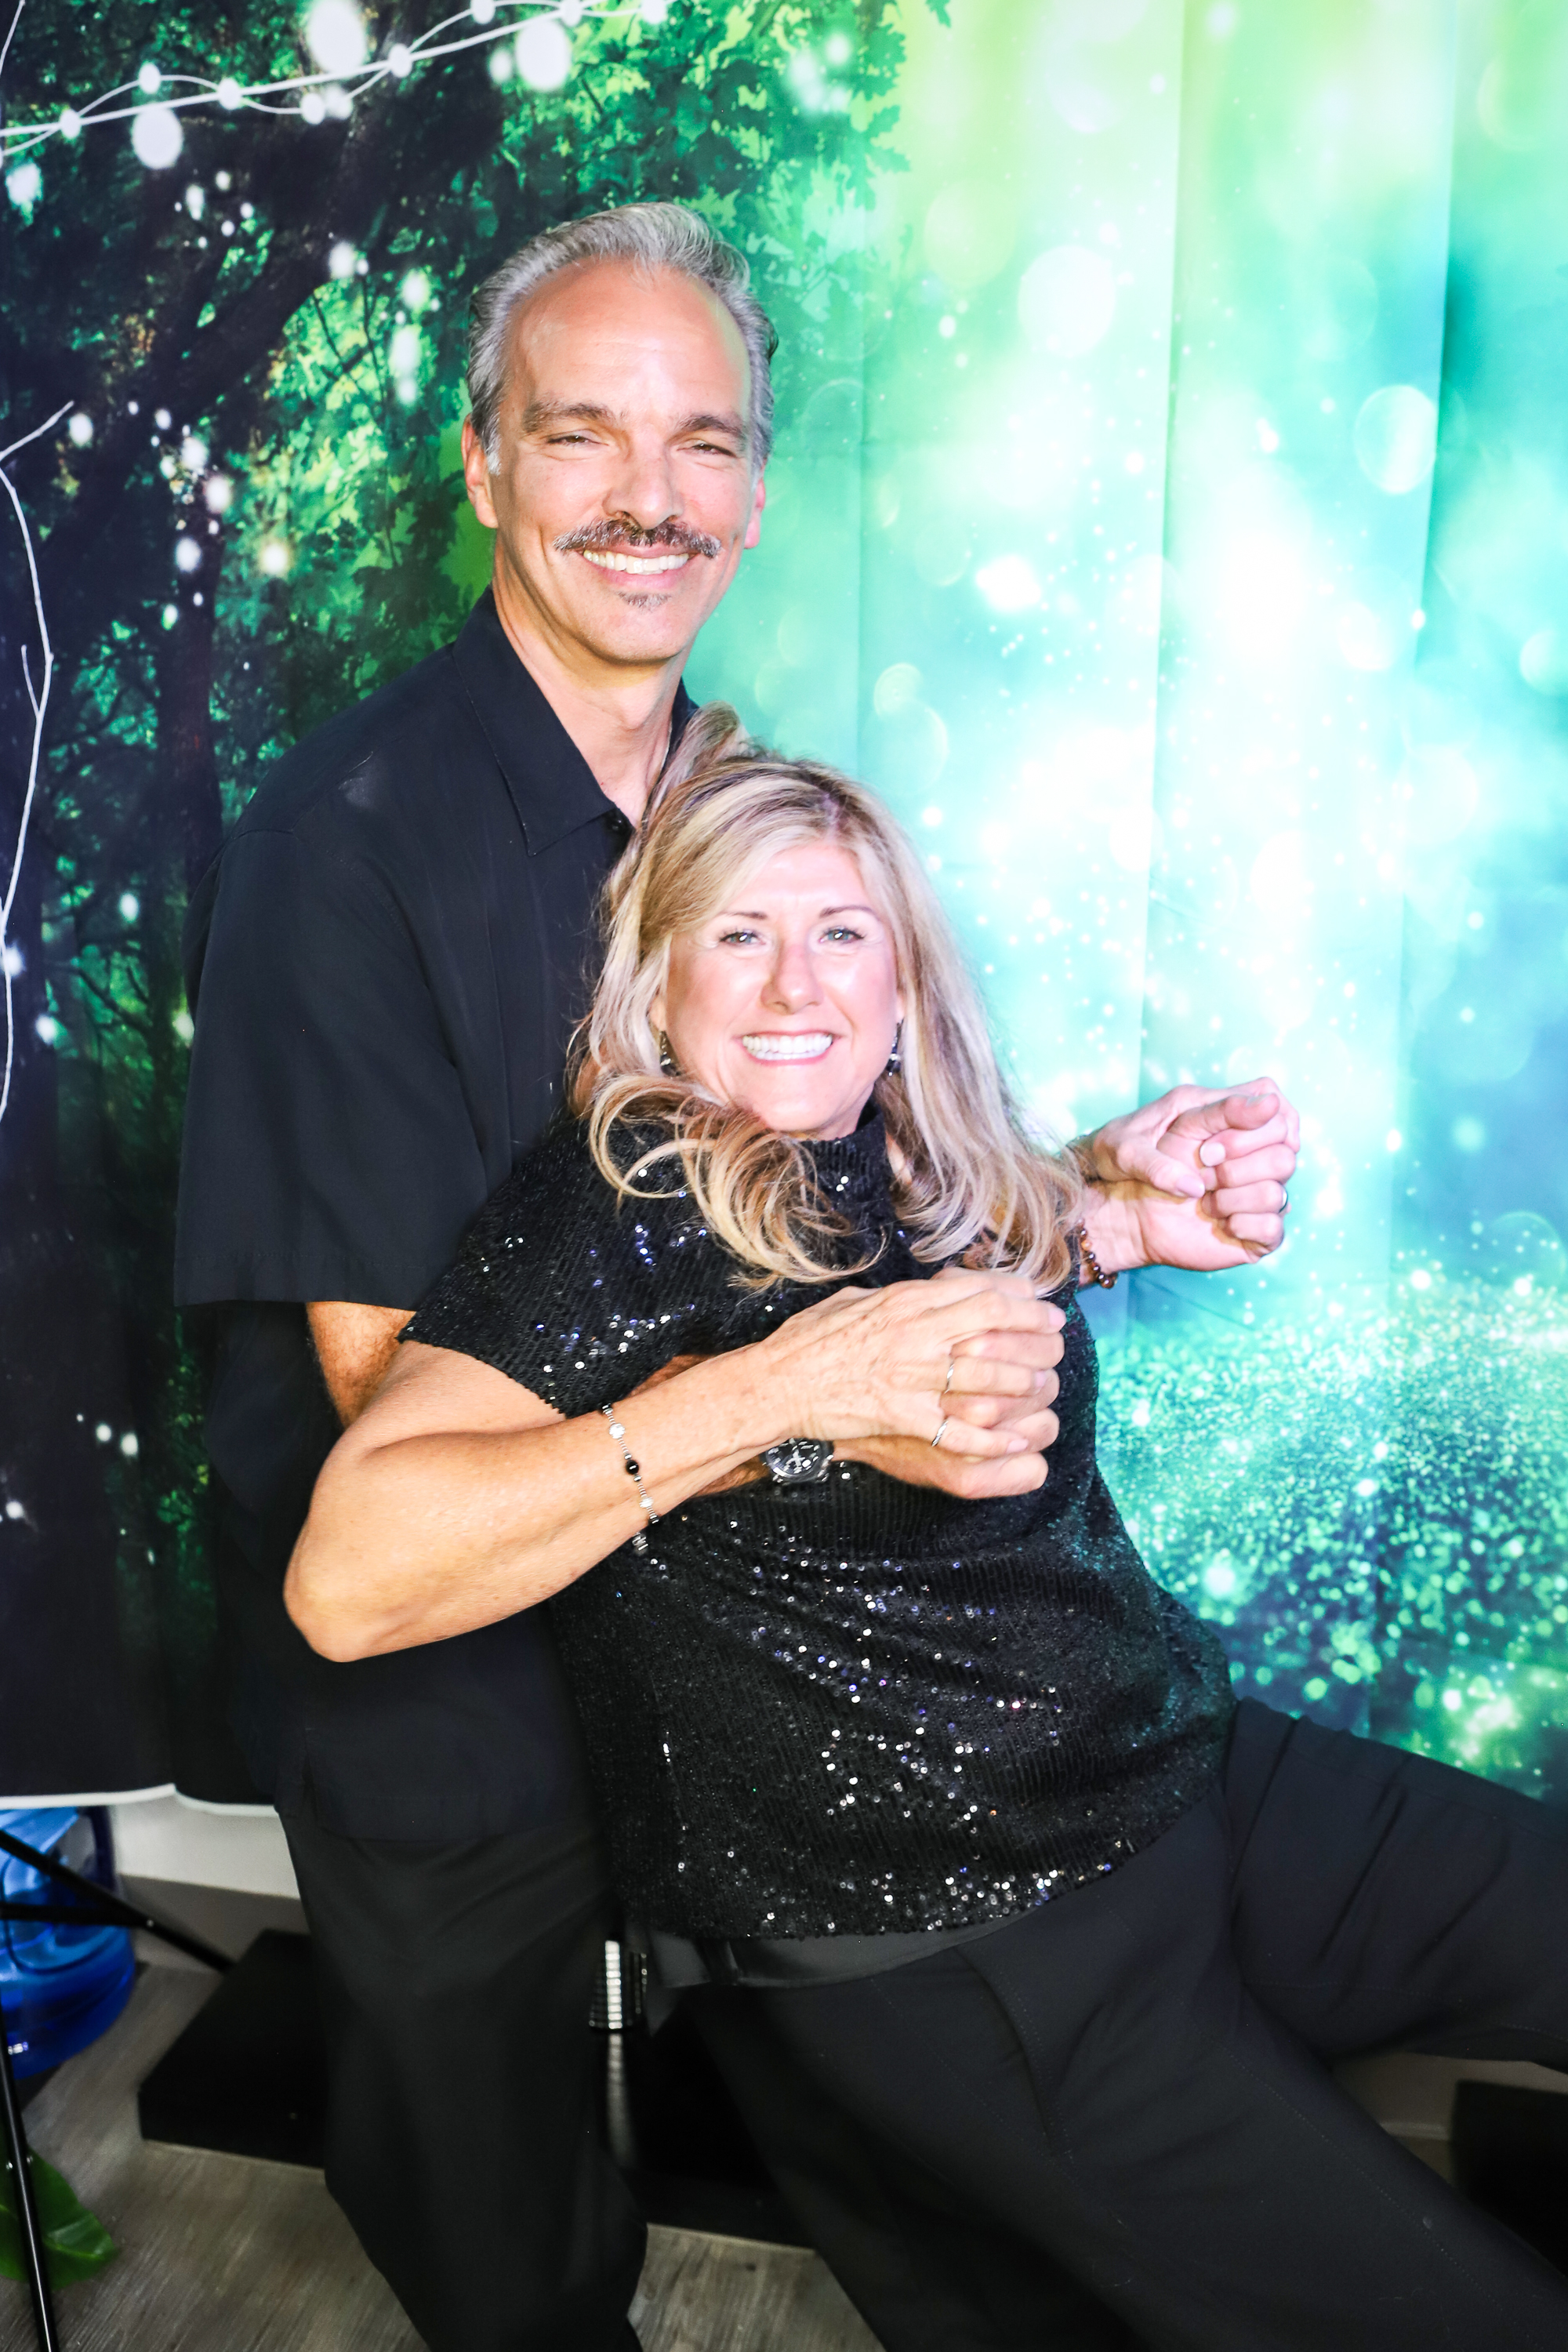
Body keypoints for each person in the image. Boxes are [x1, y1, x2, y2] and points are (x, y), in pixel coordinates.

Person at [176, 201, 1299, 2351]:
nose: (650, 496)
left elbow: (829, 1215)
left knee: (893, 2126)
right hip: (454, 1661)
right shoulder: (347, 848)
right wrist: (826, 1407)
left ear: (759, 491)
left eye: (702, 442)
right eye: (582, 434)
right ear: (483, 465)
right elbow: (396, 1402)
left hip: (722, 1636)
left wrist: (1093, 1201)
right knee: (508, 2227)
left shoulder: (732, 805)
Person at [289, 742, 1568, 2352]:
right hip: (971, 1942)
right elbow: (351, 1578)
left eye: (841, 933)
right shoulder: (615, 1207)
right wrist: (780, 1396)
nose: (793, 984)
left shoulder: (899, 1150)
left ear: (902, 986)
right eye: (738, 934)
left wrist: (1117, 1212)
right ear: (659, 986)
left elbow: (926, 1296)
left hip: (1192, 1783)